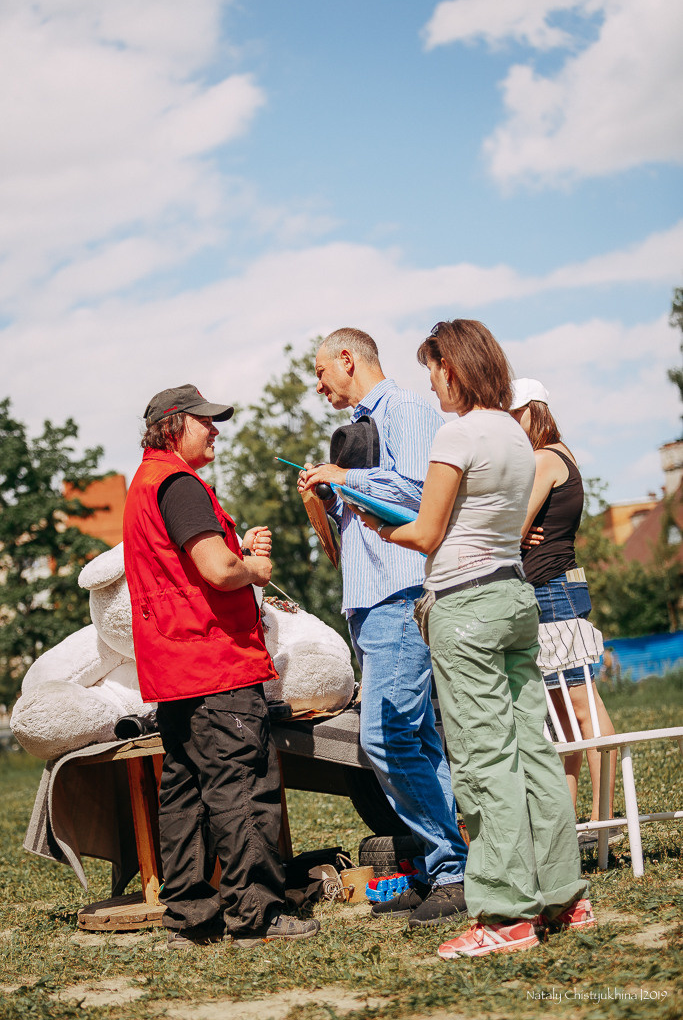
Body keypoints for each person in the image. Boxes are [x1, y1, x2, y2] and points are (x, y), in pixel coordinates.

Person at [356, 321, 592, 959]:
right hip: (516, 598)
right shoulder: (517, 433)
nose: (430, 382)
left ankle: (505, 916)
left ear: (451, 369)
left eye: (432, 368)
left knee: (483, 762)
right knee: (533, 753)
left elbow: (428, 533)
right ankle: (566, 898)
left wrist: (375, 519)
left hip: (465, 607)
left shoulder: (456, 432)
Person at [123, 384, 320, 949]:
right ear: (172, 425)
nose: (216, 430)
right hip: (216, 665)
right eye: (205, 421)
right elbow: (216, 569)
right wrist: (253, 569)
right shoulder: (180, 485)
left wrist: (240, 547)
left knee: (183, 793)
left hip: (176, 669)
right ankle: (255, 914)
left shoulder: (146, 484)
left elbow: (187, 566)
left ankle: (190, 919)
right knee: (242, 785)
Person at [299, 328, 469, 929]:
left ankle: (451, 865)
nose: (317, 384)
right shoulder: (358, 430)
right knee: (418, 740)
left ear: (349, 359)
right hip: (369, 602)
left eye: (321, 371)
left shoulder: (409, 409)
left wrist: (345, 479)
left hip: (400, 594)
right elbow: (356, 530)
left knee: (385, 739)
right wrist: (324, 499)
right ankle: (442, 871)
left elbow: (423, 495)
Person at [510, 378, 618, 832]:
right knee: (564, 719)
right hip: (556, 588)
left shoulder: (543, 458)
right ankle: (574, 826)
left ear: (537, 409)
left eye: (518, 413)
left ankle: (605, 817)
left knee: (581, 708)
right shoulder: (563, 453)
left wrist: (510, 529)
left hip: (551, 591)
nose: (513, 422)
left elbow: (511, 528)